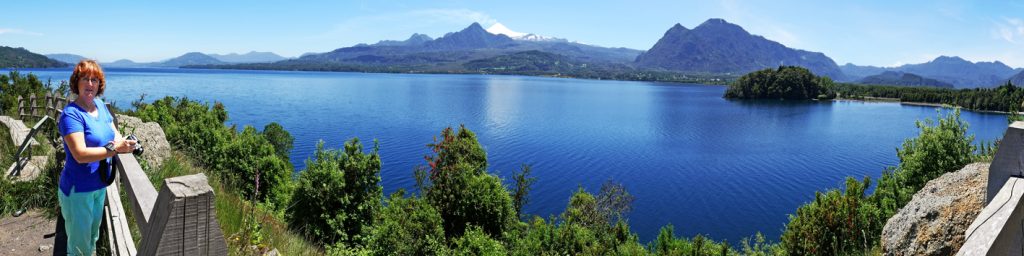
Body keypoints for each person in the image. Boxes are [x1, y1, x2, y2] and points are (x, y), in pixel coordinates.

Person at [58, 59, 136, 255]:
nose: (90, 84)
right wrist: (115, 150)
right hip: (78, 190)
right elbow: (80, 155)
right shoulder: (71, 115)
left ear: (99, 85)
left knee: (92, 237)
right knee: (79, 247)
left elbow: (113, 133)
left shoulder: (100, 105)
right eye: (85, 79)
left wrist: (125, 143)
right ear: (76, 82)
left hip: (99, 186)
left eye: (95, 80)